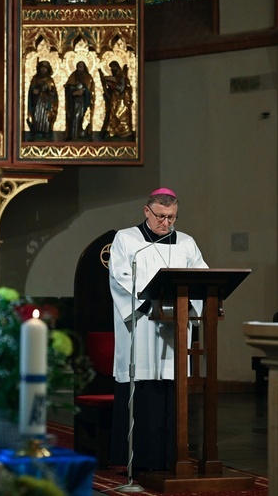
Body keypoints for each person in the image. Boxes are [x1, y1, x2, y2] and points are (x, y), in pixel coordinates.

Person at [108, 187, 208, 473]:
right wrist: (151, 306)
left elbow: (203, 279)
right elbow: (120, 278)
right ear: (147, 211)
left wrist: (188, 307)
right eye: (161, 217)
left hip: (174, 331)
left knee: (173, 389)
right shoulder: (127, 240)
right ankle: (140, 462)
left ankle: (172, 459)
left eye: (172, 217)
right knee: (145, 393)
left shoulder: (186, 243)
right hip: (142, 330)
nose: (166, 224)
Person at [99, 60, 133, 139]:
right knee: (114, 115)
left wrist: (112, 85)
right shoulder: (117, 77)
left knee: (120, 115)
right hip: (115, 99)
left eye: (113, 68)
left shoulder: (121, 76)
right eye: (111, 68)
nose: (112, 70)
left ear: (117, 67)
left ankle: (125, 132)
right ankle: (116, 131)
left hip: (121, 100)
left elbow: (121, 88)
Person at [26, 60, 58, 140]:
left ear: (48, 70)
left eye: (45, 68)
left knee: (46, 118)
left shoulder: (50, 80)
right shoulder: (35, 79)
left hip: (46, 103)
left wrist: (49, 94)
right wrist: (34, 92)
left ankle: (46, 133)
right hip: (37, 102)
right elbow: (31, 92)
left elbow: (53, 93)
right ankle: (36, 133)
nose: (43, 70)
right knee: (37, 116)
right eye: (42, 68)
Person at [64, 61, 94, 141]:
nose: (79, 69)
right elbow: (68, 87)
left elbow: (90, 90)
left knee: (82, 117)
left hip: (84, 102)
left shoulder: (88, 77)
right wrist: (70, 89)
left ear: (84, 67)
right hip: (74, 102)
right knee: (74, 117)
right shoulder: (73, 76)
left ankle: (82, 133)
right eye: (78, 67)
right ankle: (73, 135)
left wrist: (83, 91)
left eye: (81, 67)